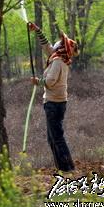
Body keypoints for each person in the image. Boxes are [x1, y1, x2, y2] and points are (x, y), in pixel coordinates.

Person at [28, 22, 79, 172]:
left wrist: (38, 82)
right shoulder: (59, 57)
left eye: (61, 42)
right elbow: (47, 46)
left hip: (53, 104)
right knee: (52, 138)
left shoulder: (57, 61)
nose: (57, 43)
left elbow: (49, 81)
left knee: (56, 138)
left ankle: (68, 168)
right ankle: (63, 167)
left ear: (62, 48)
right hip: (57, 103)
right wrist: (37, 30)